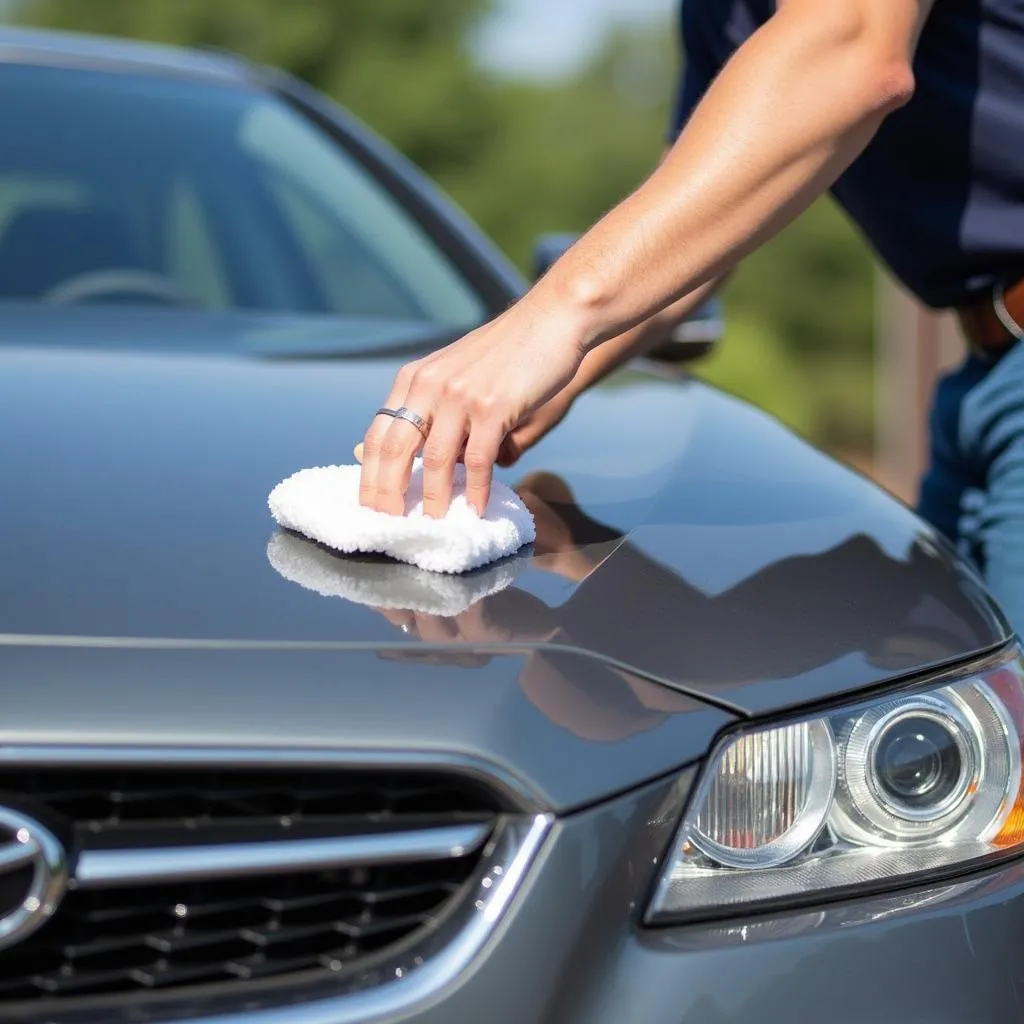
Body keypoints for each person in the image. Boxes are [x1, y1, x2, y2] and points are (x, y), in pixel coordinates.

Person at [358, 0, 1024, 632]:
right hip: (985, 376)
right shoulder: (721, 10)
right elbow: (698, 228)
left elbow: (851, 45)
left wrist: (550, 316)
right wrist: (552, 374)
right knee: (967, 729)